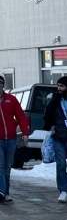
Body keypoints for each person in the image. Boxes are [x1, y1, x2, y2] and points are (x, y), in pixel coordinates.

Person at [0, 73, 30, 204]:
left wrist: (25, 133)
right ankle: (1, 192)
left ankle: (5, 192)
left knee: (7, 168)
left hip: (11, 139)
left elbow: (21, 116)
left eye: (0, 84)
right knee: (0, 166)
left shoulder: (11, 99)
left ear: (3, 86)